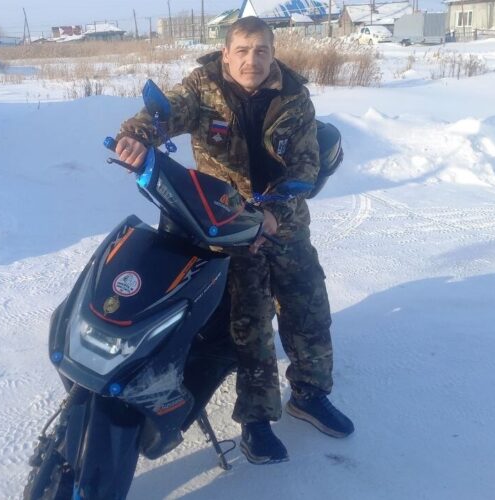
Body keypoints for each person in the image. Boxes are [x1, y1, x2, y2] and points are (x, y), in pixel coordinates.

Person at [115, 16, 353, 465]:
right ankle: (256, 422)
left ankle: (309, 394)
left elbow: (305, 167)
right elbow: (167, 113)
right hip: (226, 222)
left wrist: (274, 213)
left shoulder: (295, 97)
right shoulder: (203, 88)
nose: (251, 60)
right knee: (250, 319)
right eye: (242, 50)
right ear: (226, 53)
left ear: (273, 53)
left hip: (283, 220)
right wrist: (136, 137)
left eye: (261, 50)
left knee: (309, 306)